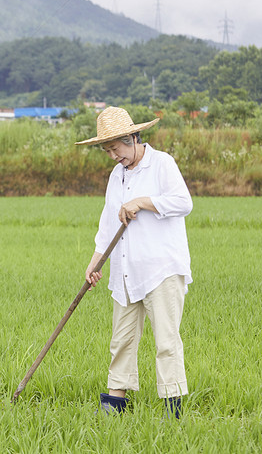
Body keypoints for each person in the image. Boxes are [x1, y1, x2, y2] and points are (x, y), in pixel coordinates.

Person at [76, 106, 193, 419]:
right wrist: (95, 264)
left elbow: (184, 203)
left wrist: (142, 202)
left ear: (132, 138)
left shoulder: (161, 164)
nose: (113, 156)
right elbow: (107, 226)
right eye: (107, 150)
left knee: (167, 341)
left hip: (162, 269)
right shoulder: (117, 175)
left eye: (116, 148)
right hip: (126, 272)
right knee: (122, 341)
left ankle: (173, 411)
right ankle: (115, 406)